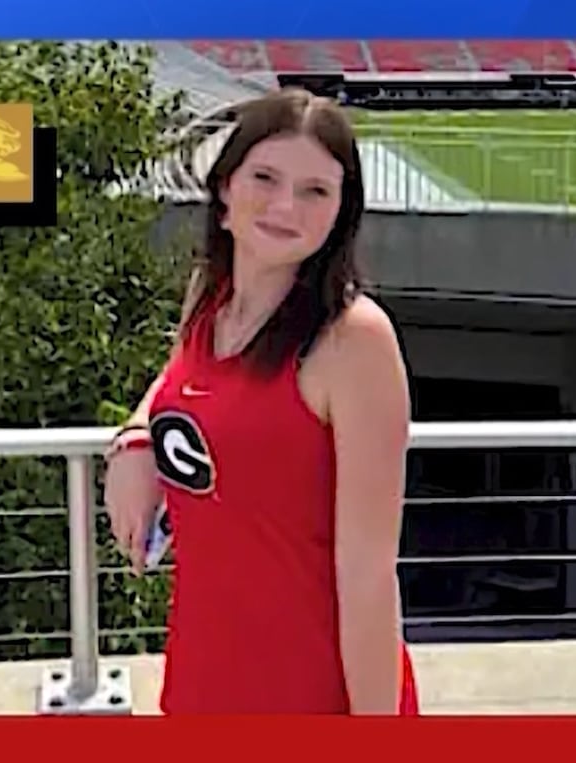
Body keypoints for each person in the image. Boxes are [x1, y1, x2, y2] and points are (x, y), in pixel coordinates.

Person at [102, 88, 417, 715]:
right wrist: (135, 440)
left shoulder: (354, 341)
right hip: (201, 677)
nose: (285, 206)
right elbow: (178, 381)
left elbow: (368, 577)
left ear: (339, 216)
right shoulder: (212, 296)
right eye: (265, 178)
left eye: (315, 192)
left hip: (312, 691)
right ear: (224, 191)